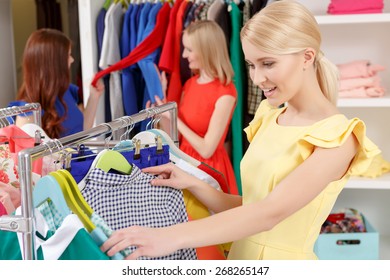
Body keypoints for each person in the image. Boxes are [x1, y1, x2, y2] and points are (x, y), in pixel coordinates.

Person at [100, 1, 383, 260]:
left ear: (307, 57)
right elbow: (250, 206)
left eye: (268, 63)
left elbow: (269, 214)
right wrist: (193, 182)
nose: (258, 78)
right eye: (251, 65)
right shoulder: (270, 117)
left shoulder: (339, 137)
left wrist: (169, 237)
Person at [148, 20, 239, 195]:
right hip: (183, 164)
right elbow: (178, 137)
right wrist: (161, 114)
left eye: (189, 49)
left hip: (208, 171)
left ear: (206, 50)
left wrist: (173, 117)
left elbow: (207, 149)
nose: (184, 55)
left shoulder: (226, 92)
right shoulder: (189, 84)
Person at [9, 28, 104, 139]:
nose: (72, 60)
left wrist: (94, 97)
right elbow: (30, 154)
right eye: (68, 55)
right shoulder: (27, 112)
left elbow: (82, 131)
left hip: (82, 155)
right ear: (54, 63)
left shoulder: (67, 91)